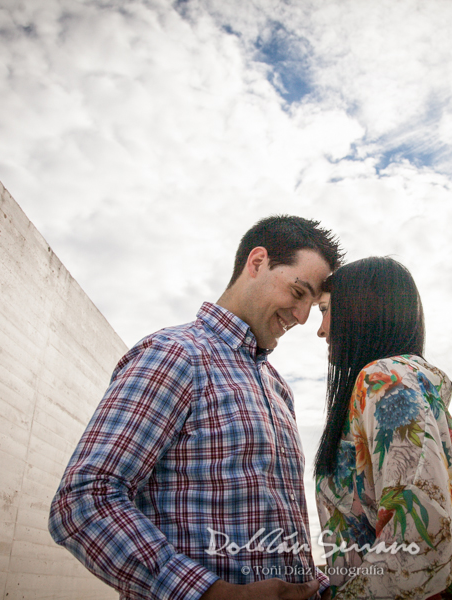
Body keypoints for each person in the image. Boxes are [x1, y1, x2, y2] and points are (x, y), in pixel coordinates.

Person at [49, 215, 344, 600]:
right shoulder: (175, 354)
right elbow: (83, 500)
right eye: (298, 291)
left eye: (313, 304)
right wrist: (215, 594)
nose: (303, 317)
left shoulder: (278, 389)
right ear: (257, 263)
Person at [313, 257, 452, 599]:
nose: (321, 329)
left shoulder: (386, 380)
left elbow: (421, 533)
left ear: (359, 310)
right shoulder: (399, 384)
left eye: (325, 309)